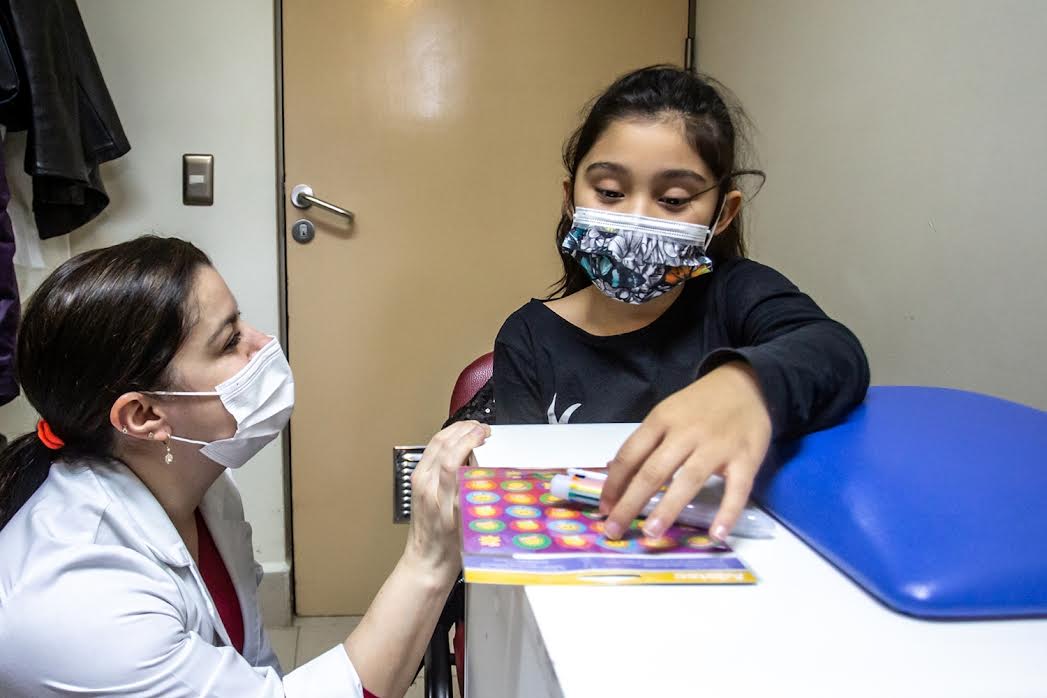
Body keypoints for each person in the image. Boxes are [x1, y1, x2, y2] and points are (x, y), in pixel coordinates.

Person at [0, 236, 488, 698]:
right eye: (230, 340)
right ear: (144, 415)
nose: (262, 343)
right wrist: (430, 558)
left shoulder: (200, 484)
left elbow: (250, 669)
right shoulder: (80, 602)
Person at [494, 65, 869, 543]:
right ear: (571, 199)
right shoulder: (528, 337)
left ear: (722, 214)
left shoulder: (736, 294)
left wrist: (747, 385)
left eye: (673, 200)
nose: (636, 219)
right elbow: (523, 501)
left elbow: (836, 351)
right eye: (609, 193)